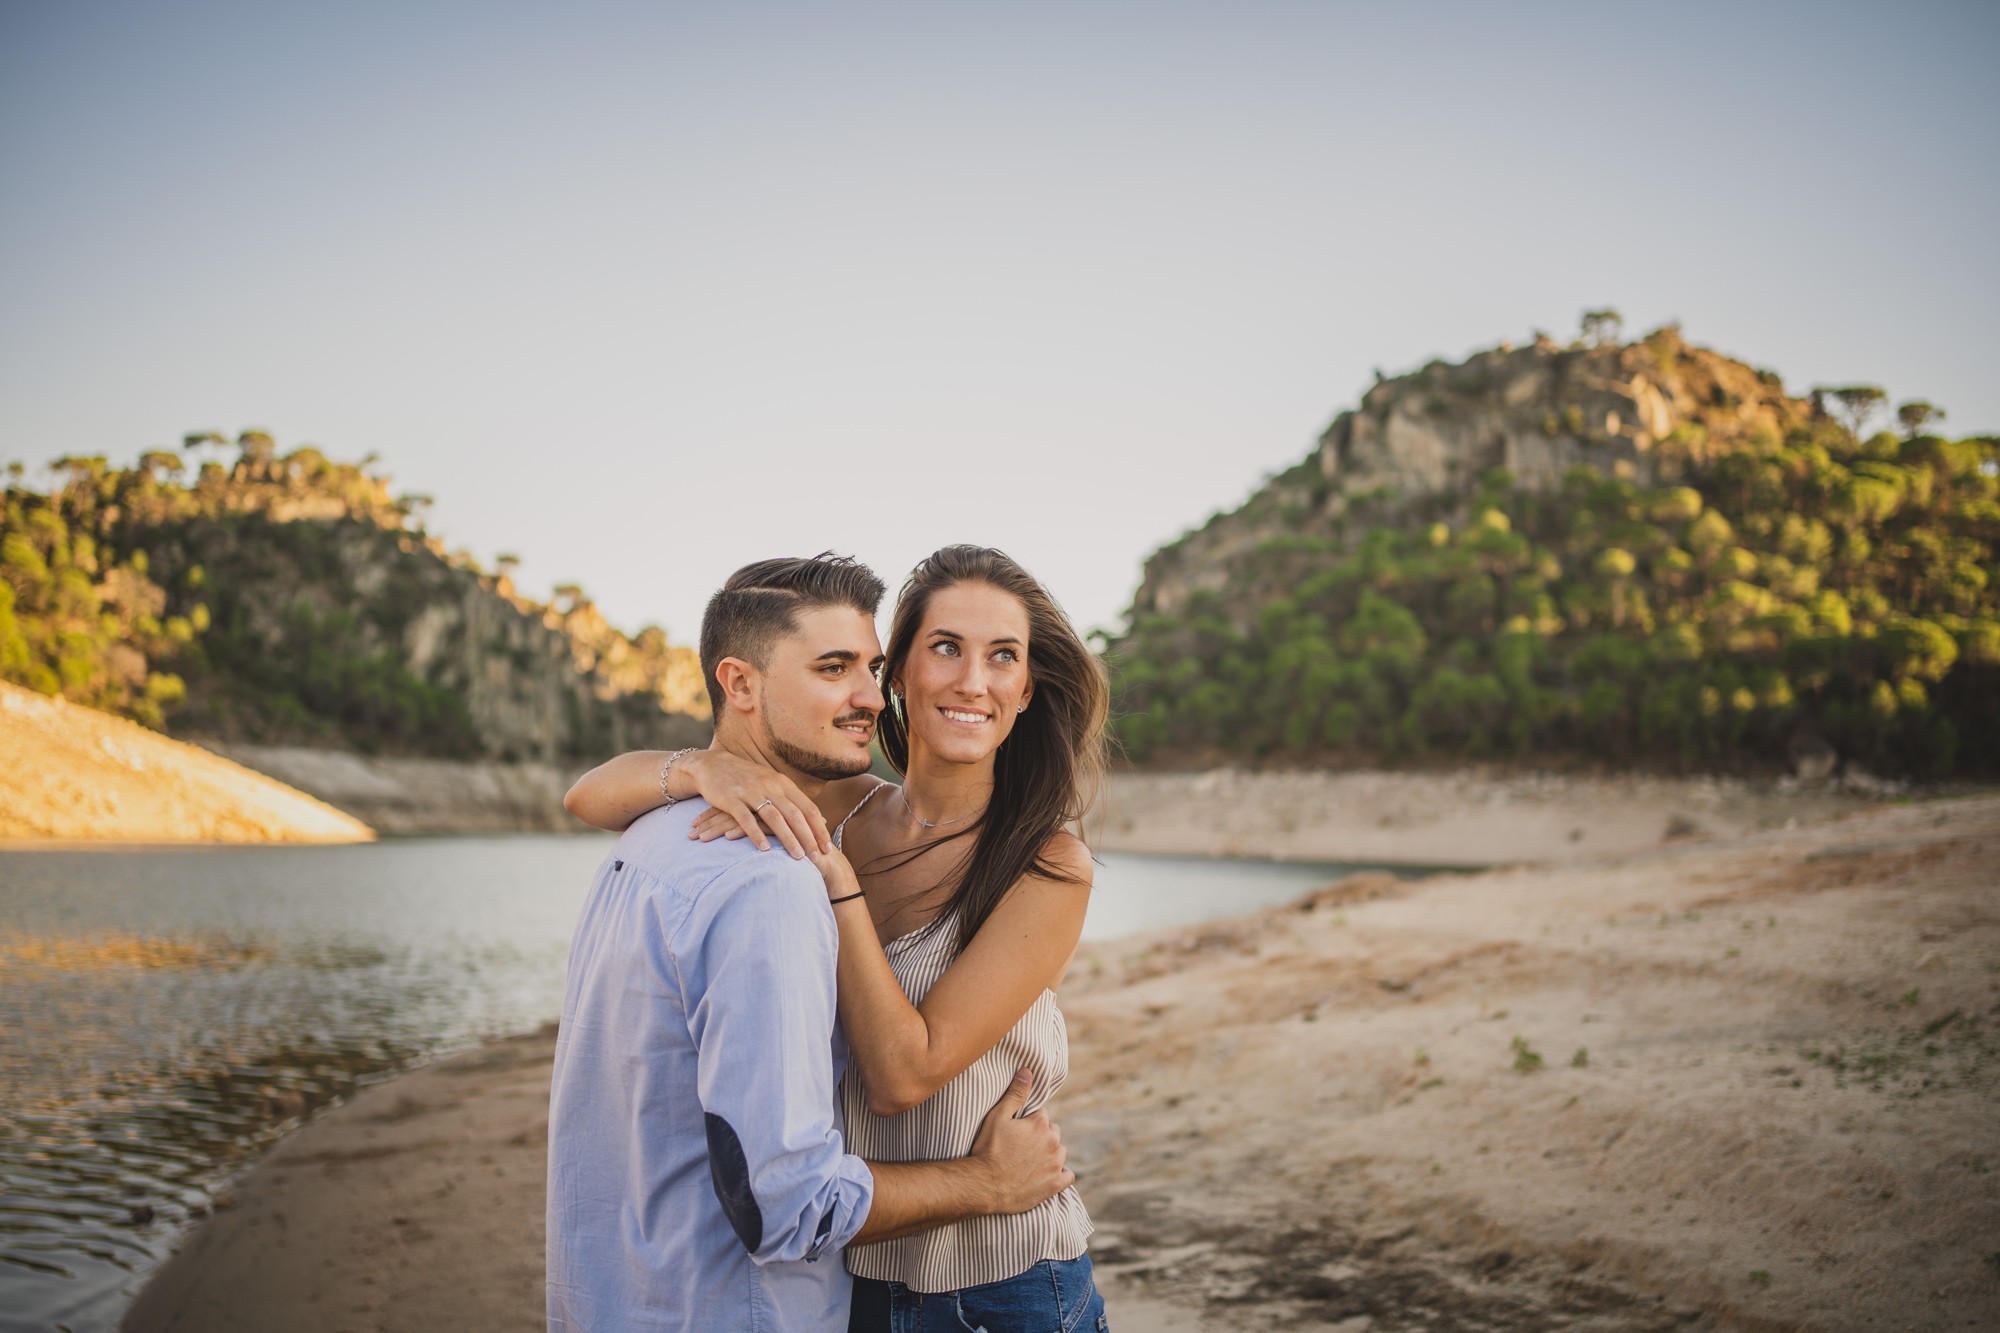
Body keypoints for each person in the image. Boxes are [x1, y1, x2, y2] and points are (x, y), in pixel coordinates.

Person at [564, 545, 1112, 1333]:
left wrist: (840, 885)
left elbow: (902, 1072)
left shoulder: (1048, 862)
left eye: (1003, 656)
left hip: (1002, 1280)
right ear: (899, 677)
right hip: (854, 1275)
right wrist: (701, 771)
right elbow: (586, 795)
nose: (973, 680)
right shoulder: (838, 805)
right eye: (946, 648)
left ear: (1025, 689)